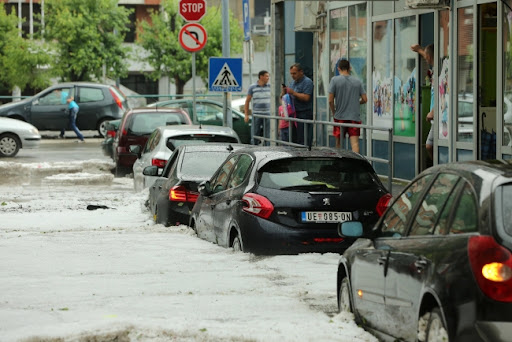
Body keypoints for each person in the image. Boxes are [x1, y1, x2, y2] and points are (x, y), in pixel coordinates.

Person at [328, 59, 368, 153]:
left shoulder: (334, 80)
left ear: (338, 69)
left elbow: (330, 100)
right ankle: (355, 165)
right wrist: (356, 102)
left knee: (339, 144)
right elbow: (365, 99)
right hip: (354, 117)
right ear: (349, 68)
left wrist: (333, 112)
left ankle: (339, 164)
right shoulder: (357, 81)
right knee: (355, 144)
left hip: (339, 117)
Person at [411, 43, 435, 161]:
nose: (426, 59)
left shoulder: (441, 71)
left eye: (427, 56)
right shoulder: (435, 69)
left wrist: (433, 112)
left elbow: (444, 94)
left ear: (430, 57)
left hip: (439, 117)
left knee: (429, 145)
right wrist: (419, 49)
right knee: (431, 145)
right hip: (436, 117)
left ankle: (437, 167)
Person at [281, 63, 314, 146]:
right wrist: (285, 92)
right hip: (294, 113)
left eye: (294, 73)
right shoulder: (293, 83)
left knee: (303, 138)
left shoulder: (307, 82)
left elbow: (306, 97)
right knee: (294, 138)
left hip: (304, 113)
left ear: (301, 72)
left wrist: (294, 93)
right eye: (291, 73)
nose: (292, 76)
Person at [244, 70, 271, 145]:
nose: (268, 78)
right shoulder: (252, 87)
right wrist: (246, 115)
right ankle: (254, 148)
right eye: (266, 76)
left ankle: (268, 149)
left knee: (268, 135)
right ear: (261, 77)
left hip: (268, 114)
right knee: (255, 133)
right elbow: (247, 101)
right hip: (257, 114)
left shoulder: (270, 86)